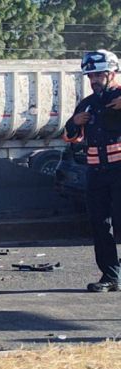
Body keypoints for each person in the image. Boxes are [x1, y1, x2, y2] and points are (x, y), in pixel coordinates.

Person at [63, 49, 121, 292]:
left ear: (112, 72)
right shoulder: (87, 103)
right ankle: (110, 277)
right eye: (90, 76)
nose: (94, 80)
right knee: (99, 224)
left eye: (98, 75)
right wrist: (73, 123)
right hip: (96, 173)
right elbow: (70, 137)